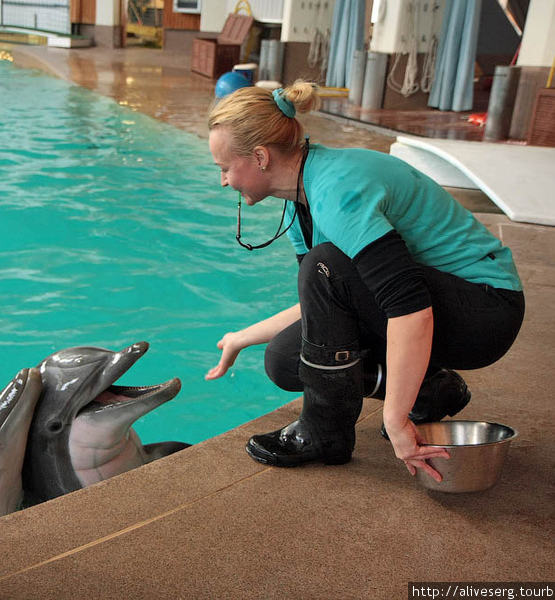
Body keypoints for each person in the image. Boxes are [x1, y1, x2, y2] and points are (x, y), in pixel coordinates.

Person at [204, 80, 525, 482]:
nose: (222, 181)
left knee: (324, 265)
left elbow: (411, 309)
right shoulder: (299, 204)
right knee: (286, 359)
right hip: (439, 302)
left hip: (485, 311)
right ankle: (430, 390)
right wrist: (242, 336)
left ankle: (326, 433)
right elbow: (327, 298)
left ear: (260, 156)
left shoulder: (339, 192)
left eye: (224, 168)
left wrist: (395, 421)